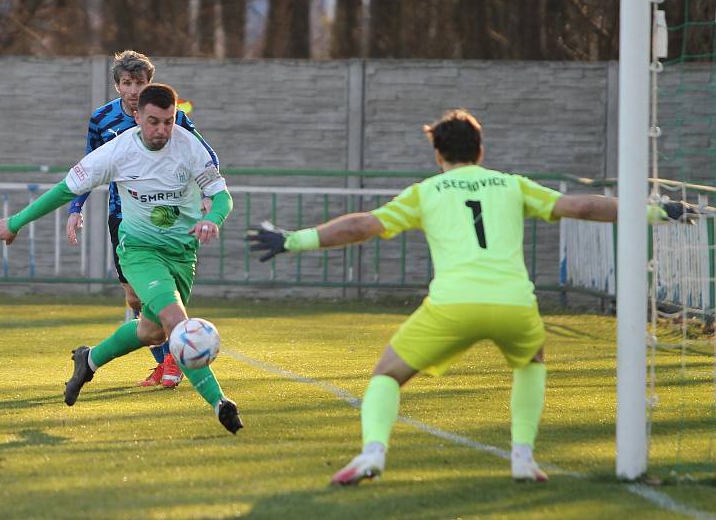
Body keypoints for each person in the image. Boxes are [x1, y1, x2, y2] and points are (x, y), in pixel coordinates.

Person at [247, 109, 685, 484]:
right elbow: (581, 207)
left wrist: (294, 240)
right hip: (515, 305)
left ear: (438, 155)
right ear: (481, 150)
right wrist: (654, 211)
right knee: (531, 361)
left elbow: (363, 225)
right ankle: (523, 458)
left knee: (387, 374)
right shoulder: (511, 185)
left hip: (452, 306)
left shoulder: (426, 191)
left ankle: (374, 452)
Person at [0, 83, 243, 435]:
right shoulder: (116, 152)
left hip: (182, 253)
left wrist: (211, 219)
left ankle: (89, 359)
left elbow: (222, 197)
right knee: (176, 322)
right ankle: (221, 404)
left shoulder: (190, 147)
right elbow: (66, 188)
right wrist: (15, 223)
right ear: (137, 116)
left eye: (169, 122)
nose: (161, 130)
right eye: (153, 121)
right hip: (139, 250)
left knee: (152, 331)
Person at [67, 50, 220, 389]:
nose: (134, 90)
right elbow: (87, 168)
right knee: (135, 299)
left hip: (165, 219)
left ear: (149, 83)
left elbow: (207, 156)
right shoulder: (101, 119)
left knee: (157, 298)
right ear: (117, 85)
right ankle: (165, 355)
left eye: (140, 82)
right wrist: (75, 209)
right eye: (127, 83)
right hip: (122, 219)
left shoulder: (168, 116)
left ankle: (170, 360)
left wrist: (209, 194)